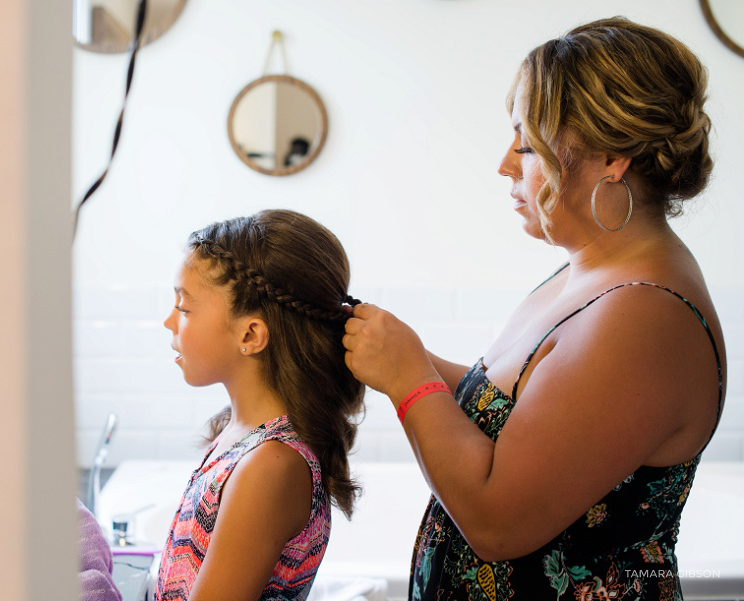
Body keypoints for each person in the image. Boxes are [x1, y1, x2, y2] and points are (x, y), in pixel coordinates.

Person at [342, 17, 726, 600]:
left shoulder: (644, 317)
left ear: (611, 156)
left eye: (526, 142)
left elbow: (499, 522)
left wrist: (406, 377)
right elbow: (505, 409)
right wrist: (397, 350)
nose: (505, 163)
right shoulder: (593, 272)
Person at [157, 209, 365, 600]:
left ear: (250, 334)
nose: (169, 321)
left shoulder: (269, 466)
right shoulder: (238, 436)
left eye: (184, 308)